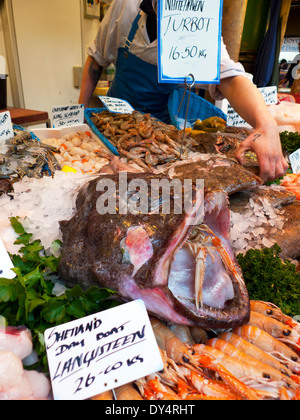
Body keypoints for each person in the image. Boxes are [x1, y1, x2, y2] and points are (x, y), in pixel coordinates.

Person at [79, 0, 288, 182]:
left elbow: (230, 77)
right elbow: (96, 59)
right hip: (111, 125)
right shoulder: (126, 6)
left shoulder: (198, 21)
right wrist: (80, 114)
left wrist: (266, 123)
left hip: (160, 130)